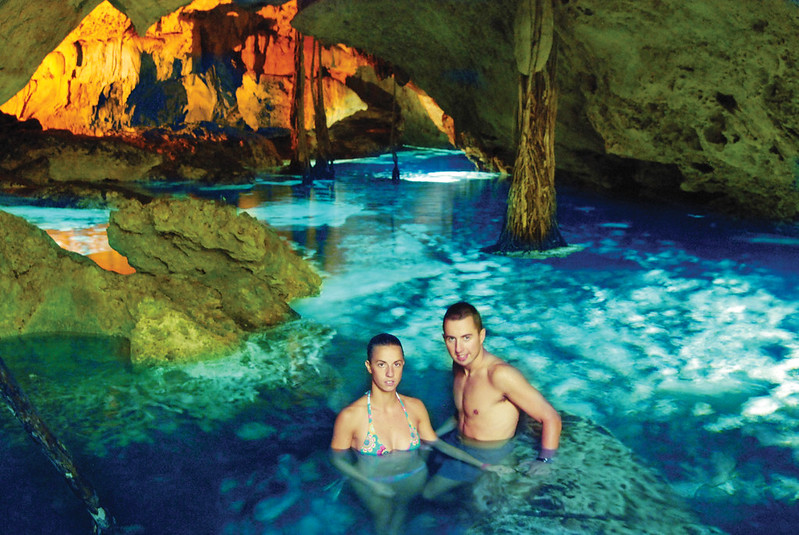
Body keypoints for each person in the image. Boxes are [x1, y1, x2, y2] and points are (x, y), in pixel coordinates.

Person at [330, 333, 508, 535]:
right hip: (374, 483)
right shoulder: (351, 416)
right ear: (369, 367)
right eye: (381, 365)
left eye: (396, 364)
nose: (390, 373)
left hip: (413, 477)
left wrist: (484, 465)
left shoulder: (414, 407)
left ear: (403, 365)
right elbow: (338, 459)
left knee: (402, 512)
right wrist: (371, 485)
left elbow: (436, 443)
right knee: (383, 518)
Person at [423, 302, 562, 500]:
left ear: (481, 336)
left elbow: (551, 417)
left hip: (490, 454)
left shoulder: (500, 375)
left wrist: (545, 460)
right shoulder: (459, 366)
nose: (459, 348)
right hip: (458, 444)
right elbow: (464, 412)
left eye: (466, 338)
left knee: (428, 496)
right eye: (451, 339)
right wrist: (434, 435)